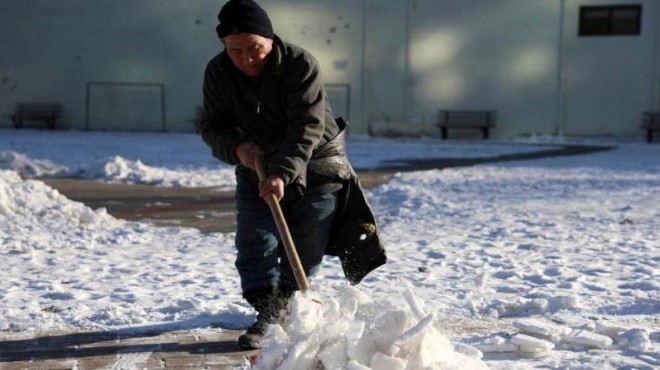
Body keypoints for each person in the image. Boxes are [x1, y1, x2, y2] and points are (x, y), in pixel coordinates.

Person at [199, 0, 386, 350]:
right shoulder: (218, 72)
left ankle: (289, 310)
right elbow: (212, 125)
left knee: (303, 247)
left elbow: (307, 127)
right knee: (255, 243)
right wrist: (237, 147)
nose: (246, 58)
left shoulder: (300, 65)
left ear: (270, 39)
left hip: (318, 164)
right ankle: (269, 314)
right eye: (235, 50)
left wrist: (283, 172)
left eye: (254, 48)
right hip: (256, 164)